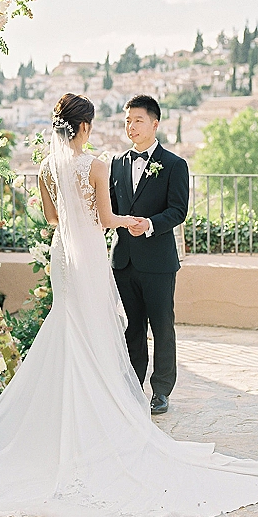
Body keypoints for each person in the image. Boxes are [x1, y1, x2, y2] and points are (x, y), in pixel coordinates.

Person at [0, 93, 258, 517]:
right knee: (97, 328)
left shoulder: (46, 168)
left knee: (67, 325)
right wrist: (129, 221)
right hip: (93, 258)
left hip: (63, 256)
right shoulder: (99, 165)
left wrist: (106, 221)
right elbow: (105, 217)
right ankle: (101, 413)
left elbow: (50, 218)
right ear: (83, 127)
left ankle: (71, 412)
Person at [110, 94, 188, 415]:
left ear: (155, 124)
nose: (131, 126)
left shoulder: (174, 164)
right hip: (124, 261)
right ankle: (132, 384)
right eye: (127, 121)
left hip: (158, 262)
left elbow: (178, 210)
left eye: (138, 120)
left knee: (161, 325)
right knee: (133, 327)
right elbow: (112, 209)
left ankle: (161, 390)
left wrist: (150, 224)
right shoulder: (115, 163)